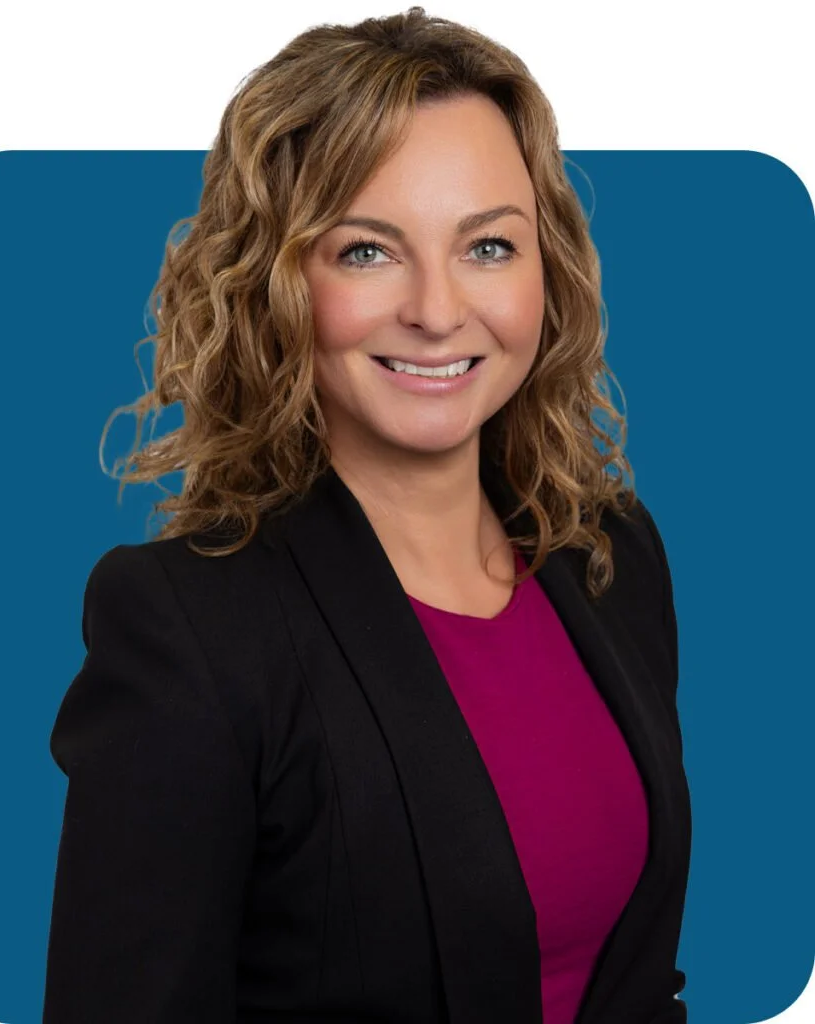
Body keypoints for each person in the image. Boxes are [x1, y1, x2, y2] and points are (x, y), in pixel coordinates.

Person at [42, 7, 691, 1023]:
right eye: (366, 252)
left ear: (548, 272)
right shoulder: (188, 631)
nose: (436, 309)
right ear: (277, 283)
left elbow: (639, 983)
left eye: (488, 245)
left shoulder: (610, 555)